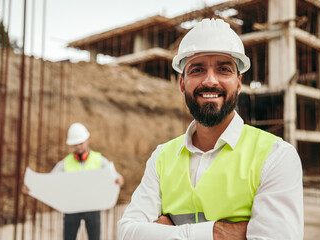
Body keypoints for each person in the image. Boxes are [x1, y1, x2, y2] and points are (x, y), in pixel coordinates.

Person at [117, 18, 303, 240]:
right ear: (182, 84)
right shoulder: (161, 158)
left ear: (239, 82)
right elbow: (128, 233)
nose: (210, 80)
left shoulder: (275, 156)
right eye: (197, 69)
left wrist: (168, 232)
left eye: (224, 69)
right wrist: (218, 232)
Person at [23, 122, 124, 240]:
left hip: (93, 208)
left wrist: (119, 180)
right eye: (75, 144)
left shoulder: (99, 160)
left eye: (81, 143)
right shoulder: (64, 163)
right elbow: (49, 182)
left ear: (88, 140)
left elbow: (116, 177)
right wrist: (32, 187)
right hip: (71, 209)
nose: (78, 147)